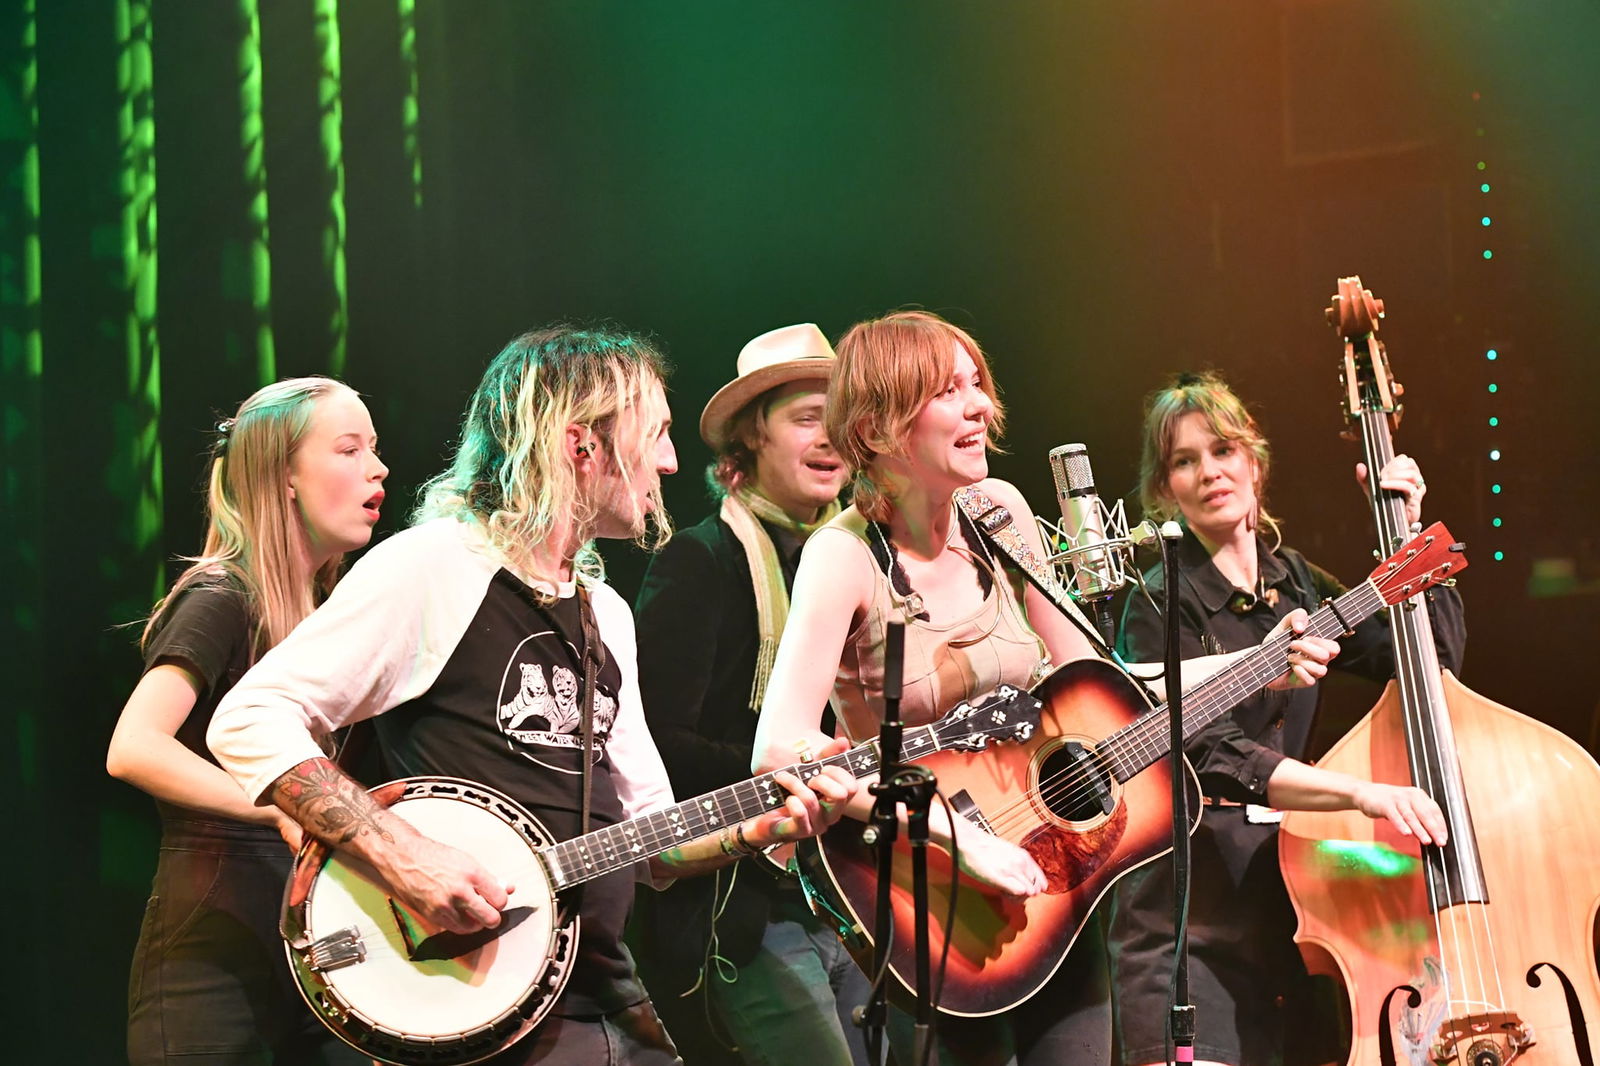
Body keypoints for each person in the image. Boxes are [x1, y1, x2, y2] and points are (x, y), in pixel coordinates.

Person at [207, 325, 856, 1066]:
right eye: (655, 434)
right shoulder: (436, 565)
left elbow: (652, 839)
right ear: (582, 445)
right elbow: (250, 719)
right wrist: (402, 853)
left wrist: (757, 827)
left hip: (601, 986)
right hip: (475, 990)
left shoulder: (606, 613)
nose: (671, 463)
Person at [749, 311, 1355, 1066]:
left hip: (1049, 886)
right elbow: (779, 750)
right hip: (930, 909)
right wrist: (962, 839)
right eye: (949, 392)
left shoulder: (998, 514)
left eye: (978, 384)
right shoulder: (841, 557)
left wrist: (1255, 662)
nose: (982, 407)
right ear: (877, 428)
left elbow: (1103, 690)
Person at [1108, 371, 1465, 1066]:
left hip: (1304, 917)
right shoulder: (1155, 603)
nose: (1209, 472)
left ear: (1254, 462)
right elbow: (1210, 754)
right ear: (1164, 490)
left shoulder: (1295, 581)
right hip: (1193, 928)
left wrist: (1404, 530)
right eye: (1184, 460)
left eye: (1222, 450)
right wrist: (1360, 794)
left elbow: (1433, 660)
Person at [107, 376, 387, 1065]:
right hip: (214, 963)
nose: (378, 469)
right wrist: (284, 801)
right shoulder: (221, 597)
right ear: (282, 475)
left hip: (317, 953)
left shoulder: (332, 618)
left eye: (375, 448)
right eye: (349, 449)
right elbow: (135, 746)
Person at [630, 323, 871, 1066]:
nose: (828, 438)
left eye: (838, 420)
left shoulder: (866, 558)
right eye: (806, 419)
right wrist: (798, 771)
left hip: (855, 887)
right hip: (743, 904)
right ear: (749, 439)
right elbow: (655, 743)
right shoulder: (699, 560)